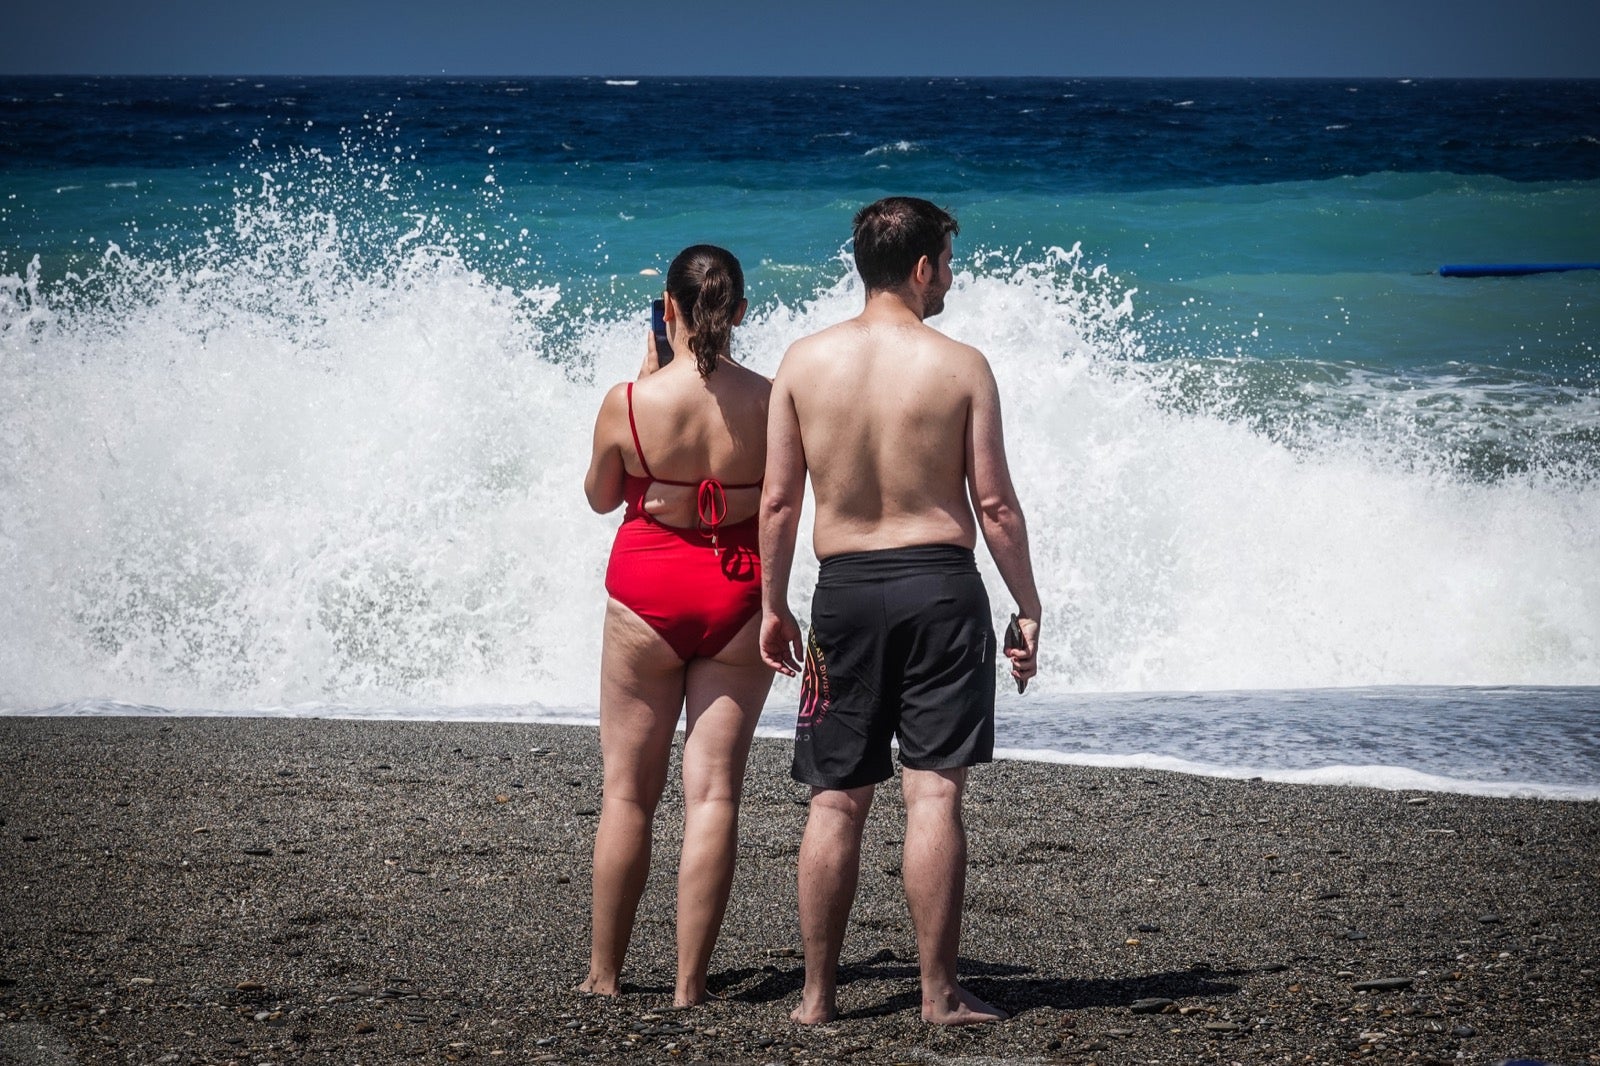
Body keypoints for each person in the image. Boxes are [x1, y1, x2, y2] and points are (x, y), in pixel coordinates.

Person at [759, 197, 1042, 1026]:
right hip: (940, 590)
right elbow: (994, 505)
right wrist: (1028, 606)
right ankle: (936, 992)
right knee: (933, 797)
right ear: (922, 268)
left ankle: (815, 997)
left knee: (836, 799)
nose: (949, 278)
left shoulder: (802, 363)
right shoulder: (961, 365)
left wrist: (773, 607)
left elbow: (778, 503)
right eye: (947, 264)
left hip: (843, 593)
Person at [581, 244, 774, 1007]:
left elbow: (601, 497)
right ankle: (690, 986)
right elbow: (788, 502)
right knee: (715, 795)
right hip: (737, 592)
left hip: (647, 594)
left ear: (668, 310)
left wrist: (648, 382)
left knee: (628, 794)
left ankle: (605, 975)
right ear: (739, 315)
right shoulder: (771, 397)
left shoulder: (628, 400)